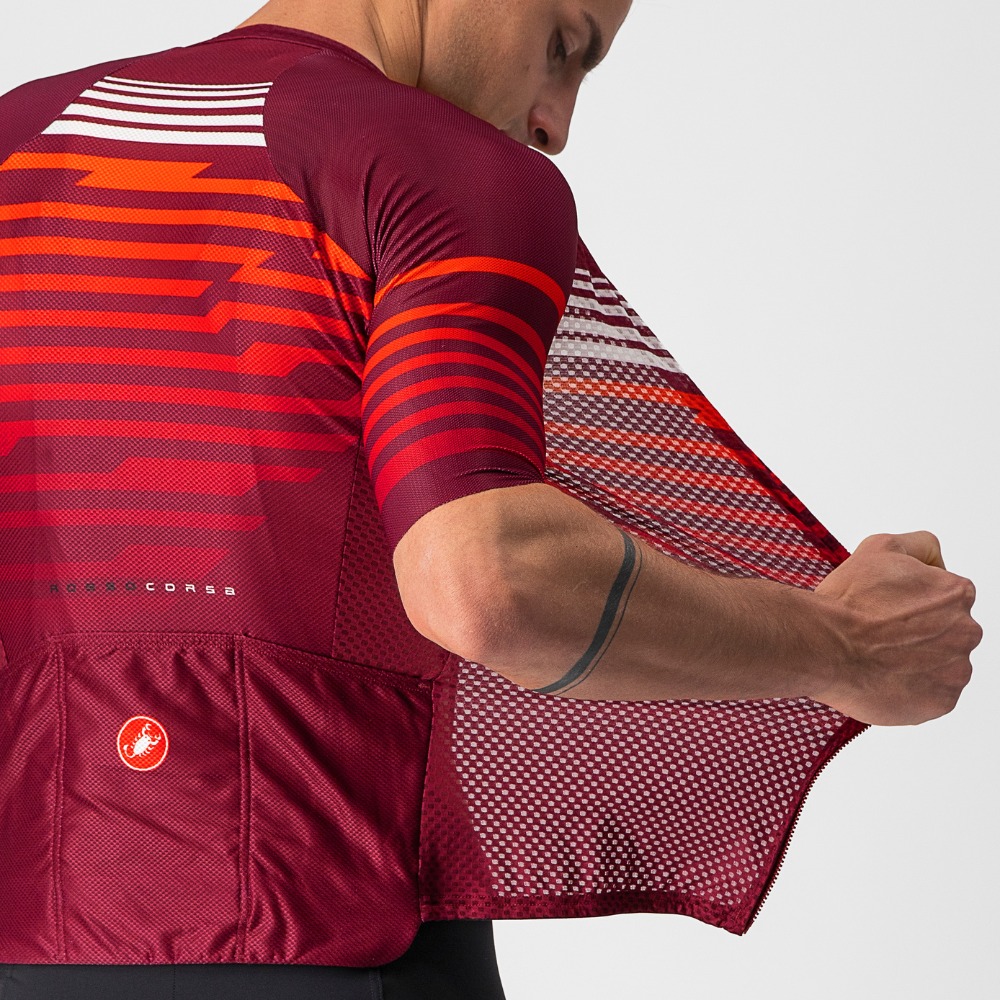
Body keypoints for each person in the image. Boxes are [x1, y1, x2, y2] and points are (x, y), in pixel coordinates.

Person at [0, 1, 982, 998]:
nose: (555, 121)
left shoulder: (18, 139)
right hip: (335, 933)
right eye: (564, 46)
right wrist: (842, 645)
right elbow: (484, 577)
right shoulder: (429, 164)